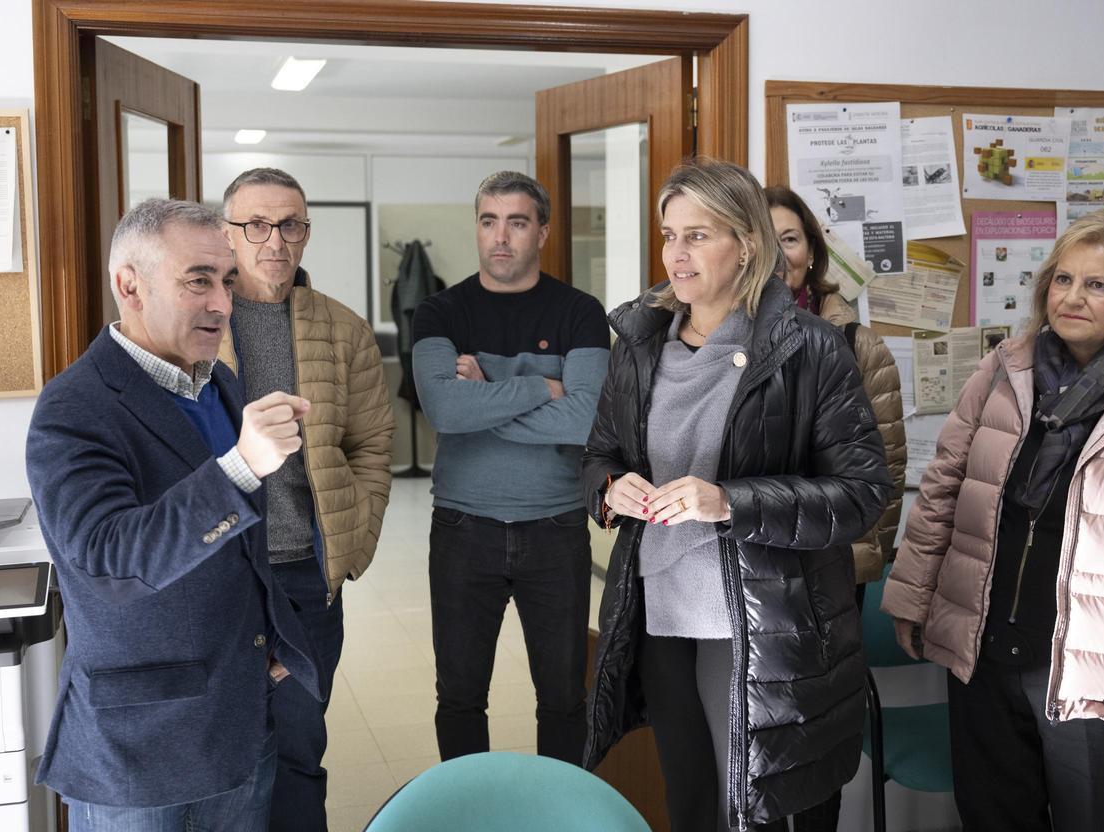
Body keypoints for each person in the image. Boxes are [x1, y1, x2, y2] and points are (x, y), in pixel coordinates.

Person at [582, 160, 892, 831]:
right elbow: (599, 455)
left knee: (750, 813)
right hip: (659, 615)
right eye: (669, 235)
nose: (676, 253)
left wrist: (732, 503)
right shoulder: (639, 345)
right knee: (692, 802)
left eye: (698, 235)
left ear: (746, 244)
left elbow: (863, 495)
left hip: (757, 622)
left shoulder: (809, 348)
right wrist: (611, 488)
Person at [26, 199, 322, 831]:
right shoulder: (73, 408)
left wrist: (271, 641)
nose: (222, 303)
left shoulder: (221, 385)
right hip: (142, 753)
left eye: (227, 282)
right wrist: (239, 467)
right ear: (129, 285)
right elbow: (110, 559)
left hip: (240, 723)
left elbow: (244, 545)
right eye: (199, 281)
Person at [882, 211, 1104, 832]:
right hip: (986, 647)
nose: (1072, 297)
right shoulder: (1004, 371)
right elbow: (942, 490)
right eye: (1062, 279)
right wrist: (914, 602)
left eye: (1097, 285)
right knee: (993, 816)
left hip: (1090, 666)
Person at [411, 170, 610, 764]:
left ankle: (560, 816)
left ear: (542, 231)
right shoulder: (440, 312)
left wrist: (489, 388)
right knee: (461, 698)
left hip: (555, 529)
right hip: (462, 530)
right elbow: (445, 409)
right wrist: (542, 388)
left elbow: (583, 420)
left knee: (563, 700)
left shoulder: (579, 312)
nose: (501, 237)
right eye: (488, 221)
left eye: (517, 222)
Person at [218, 167, 394, 831]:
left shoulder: (342, 329)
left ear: (307, 232)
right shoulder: (196, 323)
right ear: (228, 233)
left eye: (291, 224)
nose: (275, 240)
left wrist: (355, 539)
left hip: (303, 576)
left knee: (299, 746)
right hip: (221, 573)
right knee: (227, 748)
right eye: (256, 224)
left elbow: (372, 444)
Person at [765, 185, 906, 829]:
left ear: (812, 252)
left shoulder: (857, 346)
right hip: (743, 581)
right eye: (759, 237)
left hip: (828, 581)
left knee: (817, 748)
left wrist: (847, 568)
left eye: (789, 238)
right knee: (753, 749)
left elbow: (884, 476)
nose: (775, 252)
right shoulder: (703, 342)